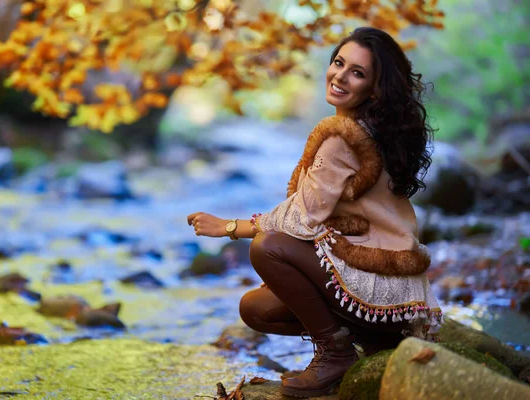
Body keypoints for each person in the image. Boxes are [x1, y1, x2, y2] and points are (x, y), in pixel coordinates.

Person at [187, 27, 443, 398]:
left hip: (384, 290)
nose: (340, 75)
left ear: (375, 88)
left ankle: (335, 354)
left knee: (267, 247)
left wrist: (228, 226)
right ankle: (368, 341)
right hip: (398, 298)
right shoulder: (379, 131)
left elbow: (304, 217)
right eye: (339, 63)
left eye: (357, 72)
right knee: (256, 308)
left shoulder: (343, 137)